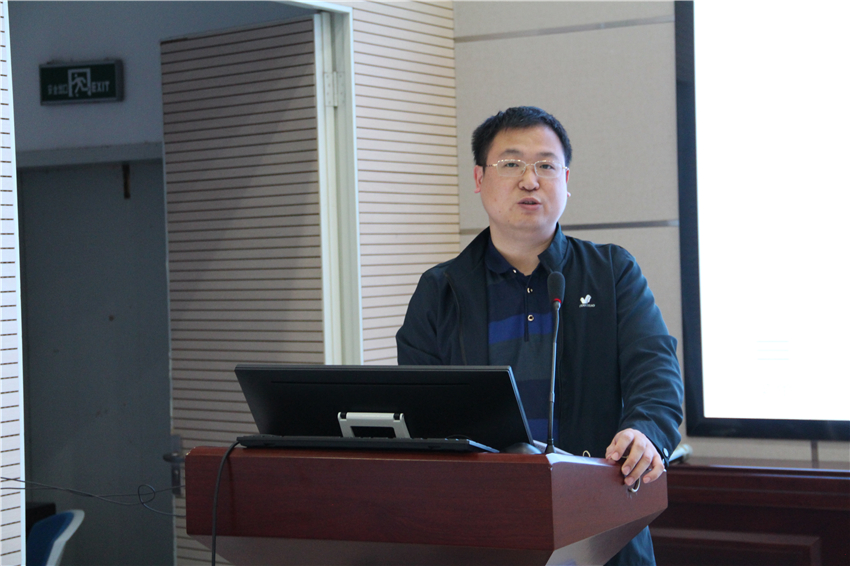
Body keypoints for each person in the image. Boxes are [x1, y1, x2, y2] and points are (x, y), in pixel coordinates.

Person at [396, 106, 684, 565]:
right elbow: (419, 409)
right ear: (479, 178)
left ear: (565, 180)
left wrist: (645, 431)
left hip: (601, 525)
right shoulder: (441, 290)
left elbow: (656, 370)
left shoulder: (612, 272)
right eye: (511, 163)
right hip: (481, 530)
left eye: (546, 166)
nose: (530, 181)